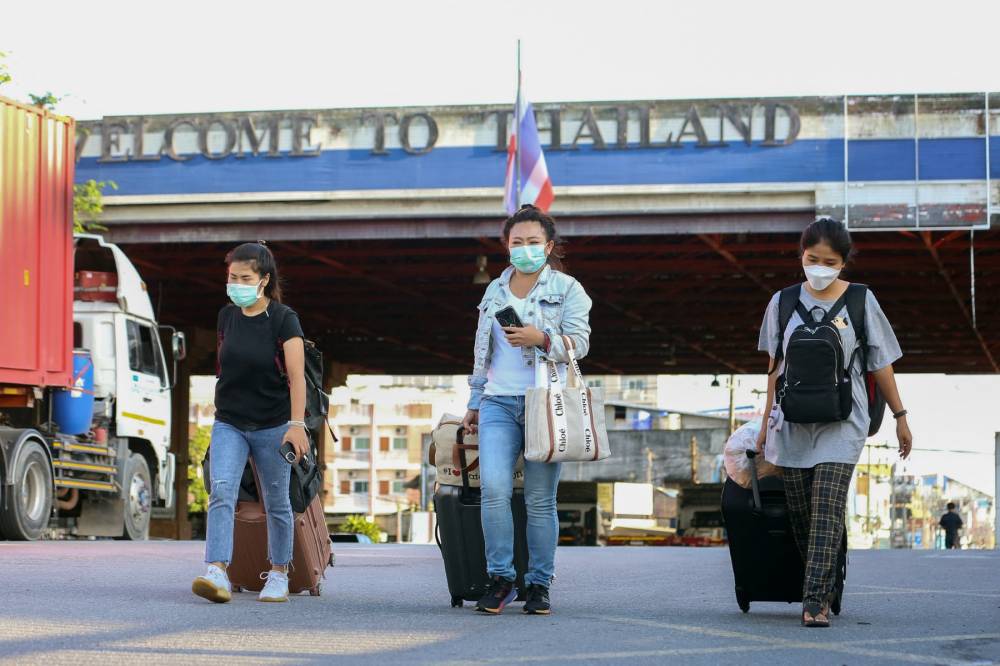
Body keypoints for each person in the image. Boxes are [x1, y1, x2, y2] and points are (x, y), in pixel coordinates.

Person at [755, 218, 913, 627]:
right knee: (802, 513)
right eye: (813, 259)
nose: (820, 267)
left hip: (844, 422)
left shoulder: (861, 300)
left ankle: (815, 601)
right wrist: (764, 423)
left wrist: (900, 417)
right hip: (792, 423)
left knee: (826, 506)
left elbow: (881, 364)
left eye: (830, 261)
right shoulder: (783, 301)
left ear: (844, 263)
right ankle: (830, 568)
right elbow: (775, 369)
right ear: (801, 256)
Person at [461, 204, 592, 615]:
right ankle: (501, 579)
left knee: (539, 500)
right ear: (507, 246)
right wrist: (474, 402)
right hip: (497, 402)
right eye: (517, 242)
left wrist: (542, 337)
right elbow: (483, 351)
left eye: (533, 242)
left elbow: (580, 344)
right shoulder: (494, 291)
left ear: (548, 246)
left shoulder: (569, 289)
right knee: (494, 491)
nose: (525, 249)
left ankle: (539, 584)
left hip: (545, 402)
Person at [192, 242, 310, 604]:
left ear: (263, 280)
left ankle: (278, 573)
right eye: (232, 277)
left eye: (245, 278)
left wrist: (296, 424)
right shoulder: (226, 316)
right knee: (222, 489)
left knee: (277, 501)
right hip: (229, 421)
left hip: (274, 424)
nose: (237, 284)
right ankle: (216, 571)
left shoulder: (283, 318)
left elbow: (297, 377)